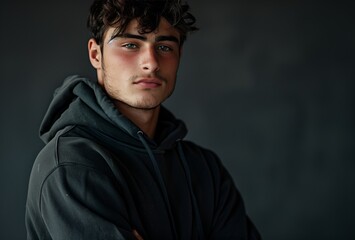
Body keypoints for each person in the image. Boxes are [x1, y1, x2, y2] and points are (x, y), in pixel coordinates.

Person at [25, 0, 261, 239]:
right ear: (96, 54)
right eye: (130, 45)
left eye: (165, 47)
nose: (151, 63)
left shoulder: (204, 169)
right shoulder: (71, 166)